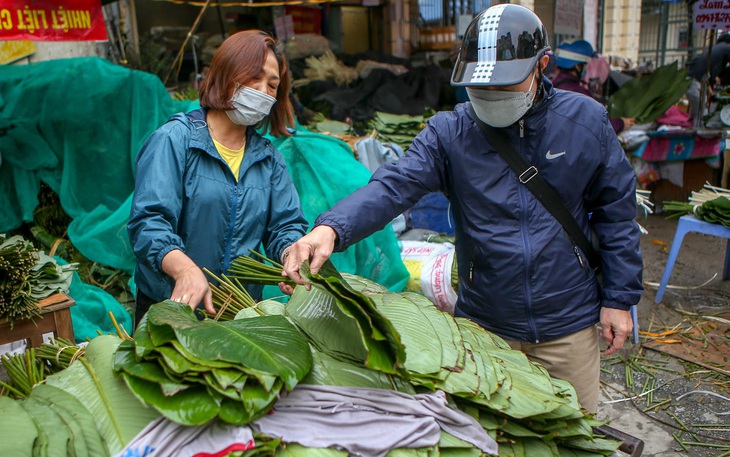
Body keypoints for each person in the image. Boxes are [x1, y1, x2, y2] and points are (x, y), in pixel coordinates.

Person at [280, 4, 643, 414]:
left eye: (503, 86)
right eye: (478, 87)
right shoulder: (450, 132)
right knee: (491, 436)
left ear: (542, 65)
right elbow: (393, 186)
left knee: (574, 430)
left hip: (567, 326)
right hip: (484, 326)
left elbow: (616, 215)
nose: (490, 98)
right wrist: (329, 229)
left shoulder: (585, 121)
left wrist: (618, 297)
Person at [128, 30, 308, 328]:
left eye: (272, 85)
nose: (263, 91)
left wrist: (291, 255)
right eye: (254, 78)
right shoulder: (175, 141)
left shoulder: (268, 159)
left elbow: (284, 226)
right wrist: (184, 270)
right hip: (172, 308)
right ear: (227, 74)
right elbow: (149, 223)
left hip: (238, 313)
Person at [552, 39, 635, 133]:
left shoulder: (553, 87)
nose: (587, 68)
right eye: (586, 65)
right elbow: (599, 122)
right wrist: (621, 123)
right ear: (578, 67)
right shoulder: (578, 94)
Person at [686, 33, 730, 122]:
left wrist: (712, 93)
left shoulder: (712, 51)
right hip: (693, 81)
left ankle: (692, 128)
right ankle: (700, 133)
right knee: (702, 114)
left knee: (696, 112)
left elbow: (707, 77)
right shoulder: (726, 48)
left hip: (688, 79)